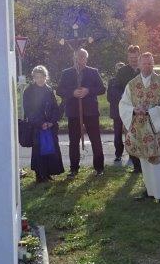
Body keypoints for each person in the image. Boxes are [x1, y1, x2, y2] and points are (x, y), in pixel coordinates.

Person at [119, 52, 160, 203]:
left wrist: (149, 112)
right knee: (146, 163)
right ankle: (150, 191)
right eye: (144, 63)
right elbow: (124, 104)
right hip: (141, 130)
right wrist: (134, 110)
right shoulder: (132, 84)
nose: (147, 66)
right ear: (139, 65)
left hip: (158, 128)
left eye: (150, 63)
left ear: (153, 64)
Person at [56, 48, 106, 177]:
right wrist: (72, 92)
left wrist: (88, 91)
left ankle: (99, 168)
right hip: (73, 112)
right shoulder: (66, 73)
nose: (80, 59)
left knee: (95, 140)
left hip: (91, 112)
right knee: (73, 141)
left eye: (83, 57)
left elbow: (102, 89)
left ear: (86, 59)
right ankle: (73, 169)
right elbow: (59, 90)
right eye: (78, 57)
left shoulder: (93, 72)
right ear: (74, 58)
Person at [23, 65, 64, 182]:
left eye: (42, 77)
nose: (40, 79)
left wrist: (51, 122)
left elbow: (55, 107)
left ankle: (48, 174)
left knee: (50, 149)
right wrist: (40, 123)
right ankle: (40, 176)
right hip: (37, 126)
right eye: (37, 77)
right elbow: (29, 110)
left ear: (46, 77)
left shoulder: (49, 90)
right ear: (34, 78)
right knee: (39, 151)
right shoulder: (29, 91)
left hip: (50, 126)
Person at [114, 45, 142, 171]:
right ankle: (135, 165)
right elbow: (116, 88)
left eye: (135, 57)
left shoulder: (144, 68)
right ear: (128, 57)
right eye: (131, 58)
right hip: (129, 109)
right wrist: (124, 97)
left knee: (143, 135)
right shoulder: (122, 71)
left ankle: (145, 162)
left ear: (139, 56)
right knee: (130, 136)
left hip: (143, 108)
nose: (133, 60)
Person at [107, 62, 126, 164]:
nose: (119, 71)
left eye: (121, 69)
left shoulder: (128, 80)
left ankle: (133, 154)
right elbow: (109, 97)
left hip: (128, 111)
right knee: (117, 134)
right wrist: (119, 99)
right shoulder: (112, 81)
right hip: (116, 110)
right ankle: (118, 154)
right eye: (118, 69)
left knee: (130, 133)